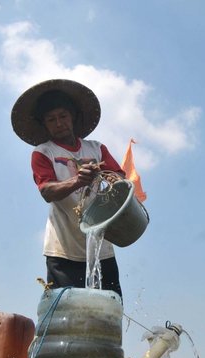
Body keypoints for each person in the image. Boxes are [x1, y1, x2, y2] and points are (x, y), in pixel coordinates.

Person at [11, 79, 124, 297]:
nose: (59, 123)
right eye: (51, 119)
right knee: (66, 311)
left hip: (101, 247)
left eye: (63, 116)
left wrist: (112, 183)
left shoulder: (96, 149)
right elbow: (47, 191)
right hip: (62, 247)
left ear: (72, 117)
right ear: (45, 125)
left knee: (109, 309)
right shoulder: (44, 152)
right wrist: (77, 181)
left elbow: (118, 178)